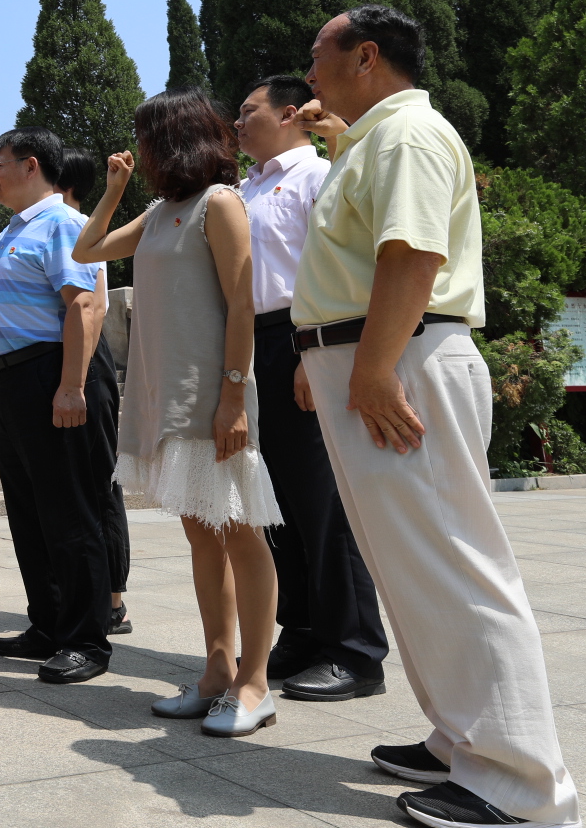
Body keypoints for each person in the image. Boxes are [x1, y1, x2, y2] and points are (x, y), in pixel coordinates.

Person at [293, 6, 577, 828]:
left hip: (400, 359)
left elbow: (412, 256)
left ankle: (521, 785)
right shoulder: (374, 139)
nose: (309, 75)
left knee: (455, 562)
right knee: (411, 566)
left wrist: (372, 368)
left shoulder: (409, 135)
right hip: (377, 356)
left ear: (367, 56)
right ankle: (464, 737)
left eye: (319, 56)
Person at [75, 91, 283, 736]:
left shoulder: (219, 203)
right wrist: (113, 189)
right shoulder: (162, 211)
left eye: (146, 138)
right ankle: (217, 671)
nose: (139, 151)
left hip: (213, 393)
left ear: (171, 140)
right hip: (168, 394)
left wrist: (233, 396)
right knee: (201, 532)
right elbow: (87, 250)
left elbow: (243, 303)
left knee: (241, 532)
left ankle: (255, 683)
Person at [236, 75, 390, 703]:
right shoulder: (246, 187)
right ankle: (299, 629)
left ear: (289, 114)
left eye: (248, 111)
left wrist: (308, 353)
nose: (237, 122)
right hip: (254, 344)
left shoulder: (315, 175)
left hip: (303, 336)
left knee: (323, 502)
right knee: (277, 502)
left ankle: (355, 650)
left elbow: (332, 268)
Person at [0, 129, 117, 685]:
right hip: (13, 380)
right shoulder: (14, 230)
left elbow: (83, 306)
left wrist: (71, 385)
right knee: (30, 512)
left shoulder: (63, 223)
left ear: (31, 165)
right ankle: (47, 624)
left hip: (50, 372)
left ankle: (86, 640)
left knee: (69, 511)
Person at [55, 147, 133, 636]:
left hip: (88, 362)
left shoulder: (77, 226)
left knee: (100, 481)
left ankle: (114, 599)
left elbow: (95, 307)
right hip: (72, 361)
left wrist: (76, 380)